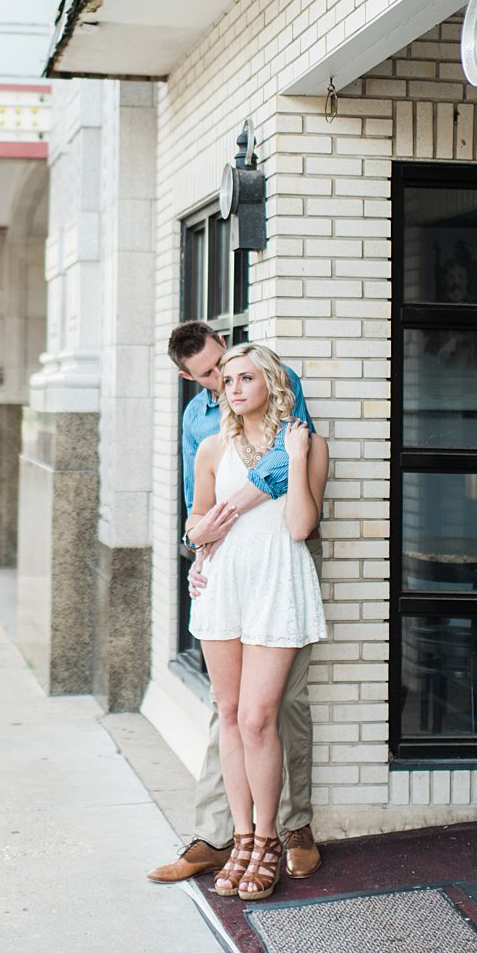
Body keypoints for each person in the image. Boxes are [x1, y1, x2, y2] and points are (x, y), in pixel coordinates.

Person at [148, 321, 323, 884]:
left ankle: (278, 834)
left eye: (243, 376)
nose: (229, 384)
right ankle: (235, 839)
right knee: (229, 715)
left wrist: (295, 459)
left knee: (263, 716)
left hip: (277, 580)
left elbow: (298, 524)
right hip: (224, 585)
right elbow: (195, 517)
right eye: (220, 380)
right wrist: (199, 546)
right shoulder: (204, 437)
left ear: (271, 381)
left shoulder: (301, 439)